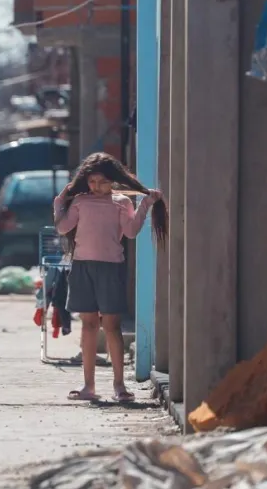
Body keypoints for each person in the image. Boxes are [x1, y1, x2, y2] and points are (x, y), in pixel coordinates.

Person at [53, 152, 167, 403]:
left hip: (111, 268)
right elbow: (62, 228)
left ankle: (119, 385)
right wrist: (60, 201)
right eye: (92, 182)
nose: (97, 187)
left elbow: (131, 231)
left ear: (113, 180)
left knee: (112, 326)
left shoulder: (122, 202)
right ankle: (88, 386)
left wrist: (146, 204)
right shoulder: (80, 201)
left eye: (103, 181)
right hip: (82, 267)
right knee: (89, 325)